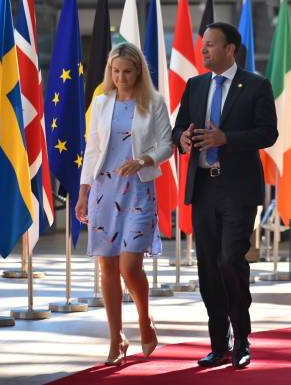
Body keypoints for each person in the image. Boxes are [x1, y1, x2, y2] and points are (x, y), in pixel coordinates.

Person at [173, 22, 278, 369]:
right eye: (202, 46)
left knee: (229, 261)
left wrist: (226, 139)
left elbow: (268, 133)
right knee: (207, 268)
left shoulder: (257, 85)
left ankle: (242, 340)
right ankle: (219, 343)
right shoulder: (195, 85)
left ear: (231, 49)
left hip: (237, 189)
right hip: (203, 188)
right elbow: (178, 129)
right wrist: (183, 140)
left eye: (210, 45)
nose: (203, 51)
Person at [76, 43, 172, 365]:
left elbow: (167, 145)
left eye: (127, 71)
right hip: (104, 191)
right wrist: (83, 193)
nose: (121, 77)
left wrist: (144, 159)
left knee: (129, 266)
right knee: (106, 268)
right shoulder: (101, 102)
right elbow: (92, 148)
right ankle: (116, 337)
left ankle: (144, 319)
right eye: (115, 72)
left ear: (139, 71)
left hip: (139, 191)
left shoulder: (153, 102)